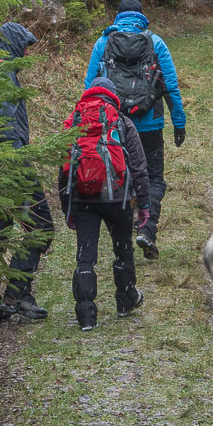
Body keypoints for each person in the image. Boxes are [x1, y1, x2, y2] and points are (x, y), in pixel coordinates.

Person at [83, 0, 186, 259]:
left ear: (117, 16)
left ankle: (125, 230)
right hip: (149, 123)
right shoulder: (156, 43)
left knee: (122, 175)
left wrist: (85, 124)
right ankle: (147, 229)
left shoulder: (103, 43)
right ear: (142, 17)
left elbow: (89, 88)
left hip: (115, 124)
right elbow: (170, 86)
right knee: (153, 178)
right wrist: (179, 121)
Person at [0, 21, 54, 328]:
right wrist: (17, 164)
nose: (27, 51)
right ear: (14, 44)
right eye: (25, 45)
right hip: (11, 164)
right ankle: (17, 295)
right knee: (41, 227)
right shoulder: (3, 73)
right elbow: (6, 127)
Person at [58, 80, 152, 331]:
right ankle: (125, 301)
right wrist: (144, 206)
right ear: (113, 96)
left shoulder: (75, 121)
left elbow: (63, 169)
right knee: (123, 249)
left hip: (82, 198)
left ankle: (86, 314)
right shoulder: (120, 121)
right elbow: (140, 168)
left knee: (85, 257)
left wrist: (67, 208)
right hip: (116, 198)